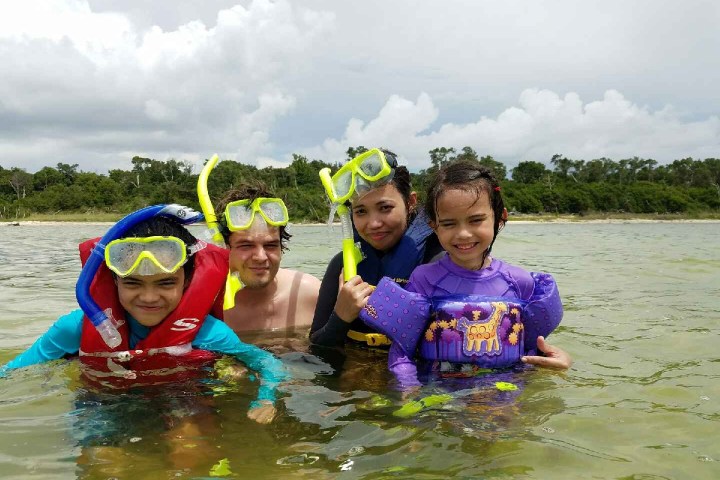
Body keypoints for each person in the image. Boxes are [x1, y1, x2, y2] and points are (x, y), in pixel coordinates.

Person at [1, 207, 286, 424]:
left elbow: (267, 363)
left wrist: (266, 397)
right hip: (102, 404)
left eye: (165, 283)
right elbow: (12, 372)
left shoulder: (207, 332)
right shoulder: (75, 327)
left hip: (182, 399)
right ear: (114, 281)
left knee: (191, 453)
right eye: (133, 283)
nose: (149, 298)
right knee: (104, 463)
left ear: (186, 281)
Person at [359, 161, 573, 388]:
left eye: (476, 220)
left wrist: (561, 361)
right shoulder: (423, 279)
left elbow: (532, 349)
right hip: (440, 395)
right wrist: (408, 388)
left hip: (503, 396)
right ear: (434, 226)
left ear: (500, 218)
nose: (463, 234)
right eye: (449, 223)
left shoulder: (521, 282)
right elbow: (403, 351)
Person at [310, 148, 443, 348]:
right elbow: (317, 349)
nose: (373, 223)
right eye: (361, 211)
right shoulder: (342, 265)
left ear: (410, 202)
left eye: (385, 208)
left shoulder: (439, 261)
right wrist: (340, 316)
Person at [214, 182, 321, 334]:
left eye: (270, 245)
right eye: (246, 245)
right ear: (224, 247)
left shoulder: (309, 293)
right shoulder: (207, 307)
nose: (260, 257)